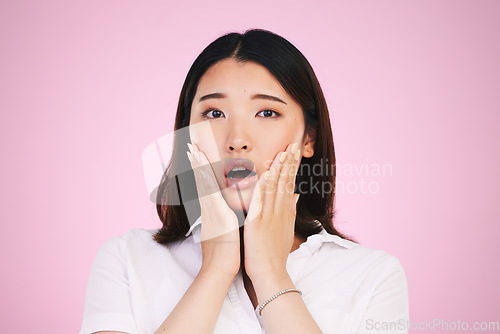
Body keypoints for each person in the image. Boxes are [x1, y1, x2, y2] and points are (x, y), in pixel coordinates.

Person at [80, 29, 409, 334]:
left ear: (309, 138)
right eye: (214, 113)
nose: (237, 140)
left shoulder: (374, 275)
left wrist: (269, 272)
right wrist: (216, 269)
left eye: (267, 113)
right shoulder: (127, 258)